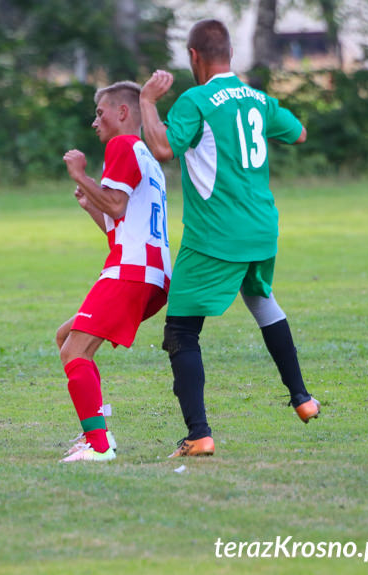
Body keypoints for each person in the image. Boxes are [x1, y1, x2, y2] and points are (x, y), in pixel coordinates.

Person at [139, 19, 319, 459]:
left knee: (181, 330)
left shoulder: (195, 100)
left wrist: (146, 102)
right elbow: (298, 133)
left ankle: (198, 434)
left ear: (194, 56)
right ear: (231, 55)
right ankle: (302, 398)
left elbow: (163, 148)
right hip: (262, 227)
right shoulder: (257, 98)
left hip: (215, 234)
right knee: (261, 300)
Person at [56, 81, 172, 463]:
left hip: (131, 270)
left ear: (123, 112)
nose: (95, 122)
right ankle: (96, 430)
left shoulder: (121, 145)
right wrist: (92, 204)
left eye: (100, 112)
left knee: (75, 350)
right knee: (66, 337)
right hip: (152, 273)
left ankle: (99, 446)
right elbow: (118, 224)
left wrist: (80, 176)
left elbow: (118, 206)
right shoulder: (148, 158)